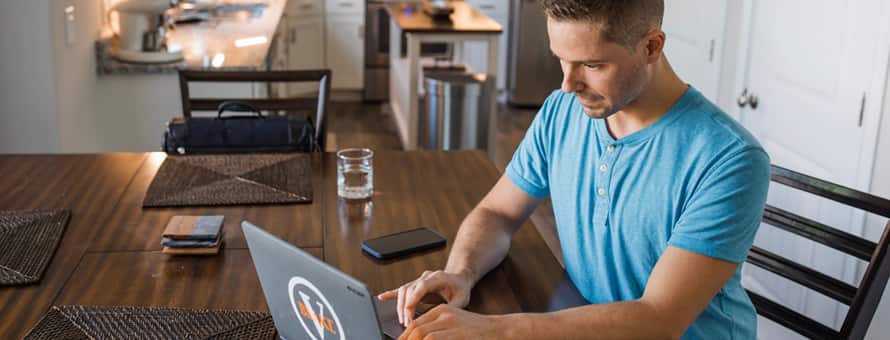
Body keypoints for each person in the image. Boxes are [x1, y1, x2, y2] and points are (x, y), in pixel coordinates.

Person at [378, 0, 770, 338]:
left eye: (592, 64)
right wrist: (462, 272)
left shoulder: (729, 159)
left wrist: (495, 330)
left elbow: (658, 320)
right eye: (561, 60)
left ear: (651, 46)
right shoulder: (561, 112)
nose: (568, 85)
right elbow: (497, 213)